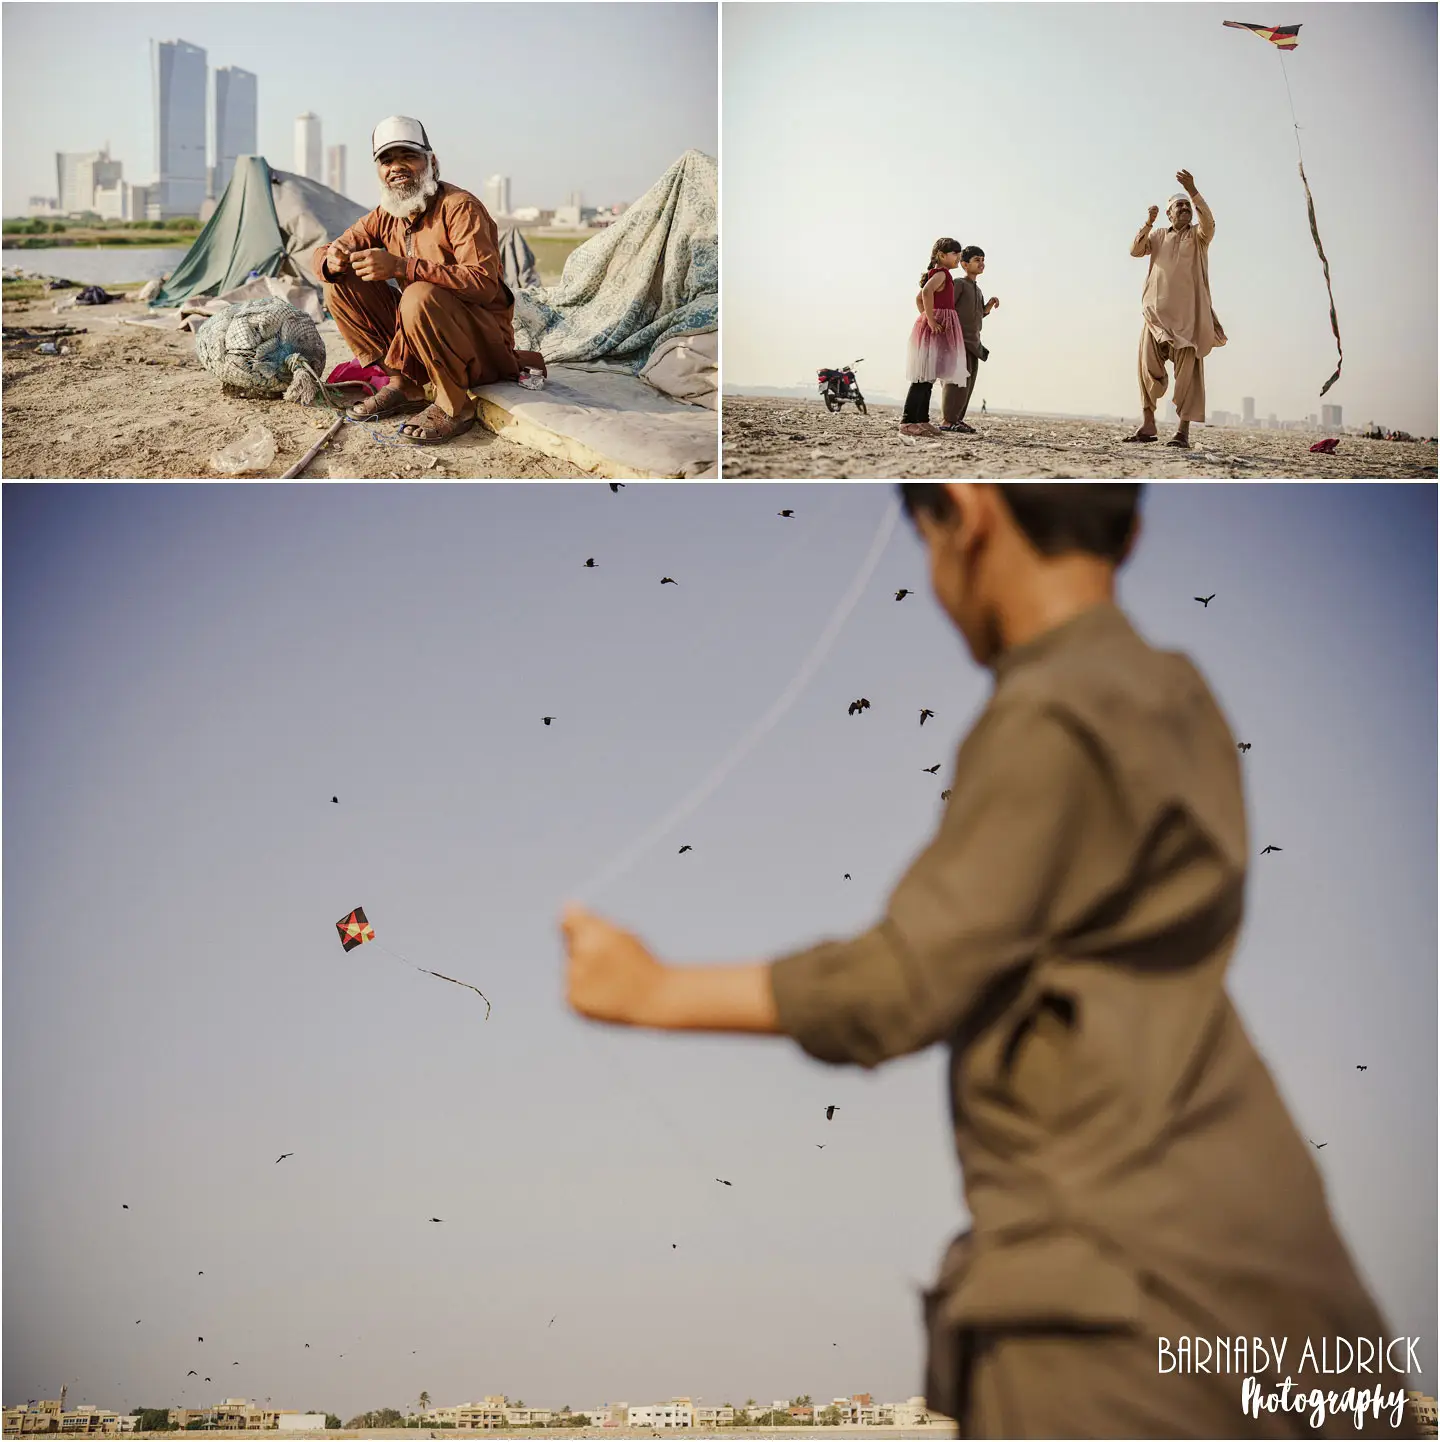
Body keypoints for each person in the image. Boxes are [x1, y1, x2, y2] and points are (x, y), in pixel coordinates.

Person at [560, 483, 1415, 1440]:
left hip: (1125, 1317)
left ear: (966, 514)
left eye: (924, 541)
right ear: (1132, 530)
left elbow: (905, 981)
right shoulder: (1180, 695)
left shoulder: (1052, 707)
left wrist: (650, 991)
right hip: (1298, 1303)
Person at [314, 116, 547, 446]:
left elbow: (483, 283)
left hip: (481, 345)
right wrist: (332, 259)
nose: (397, 167)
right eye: (387, 160)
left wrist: (402, 266)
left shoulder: (459, 207)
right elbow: (329, 249)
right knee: (339, 283)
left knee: (419, 295)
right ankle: (405, 385)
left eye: (407, 156)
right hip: (424, 342)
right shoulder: (386, 215)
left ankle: (455, 406)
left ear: (431, 162)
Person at [1124, 169, 1226, 450]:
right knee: (1146, 368)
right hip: (1156, 319)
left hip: (1189, 322)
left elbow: (1210, 222)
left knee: (1188, 378)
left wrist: (1193, 190)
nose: (1184, 208)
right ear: (1169, 214)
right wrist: (1147, 222)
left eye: (1186, 206)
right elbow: (1135, 250)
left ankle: (1182, 432)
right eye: (1178, 205)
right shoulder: (1157, 236)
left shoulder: (1199, 236)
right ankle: (1148, 424)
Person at [899, 239, 968, 438]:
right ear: (941, 255)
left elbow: (920, 297)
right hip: (934, 327)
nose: (958, 258)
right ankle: (908, 421)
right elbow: (926, 292)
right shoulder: (941, 274)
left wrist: (926, 315)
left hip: (937, 327)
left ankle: (922, 419)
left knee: (929, 377)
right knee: (922, 378)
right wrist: (930, 319)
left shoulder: (940, 275)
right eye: (955, 254)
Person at [939, 247, 998, 434]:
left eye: (983, 259)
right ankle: (948, 421)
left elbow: (977, 314)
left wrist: (987, 307)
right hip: (957, 341)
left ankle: (957, 419)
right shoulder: (959, 284)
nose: (981, 263)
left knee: (968, 384)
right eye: (976, 259)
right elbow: (947, 308)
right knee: (955, 382)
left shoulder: (978, 290)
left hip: (974, 344)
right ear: (964, 264)